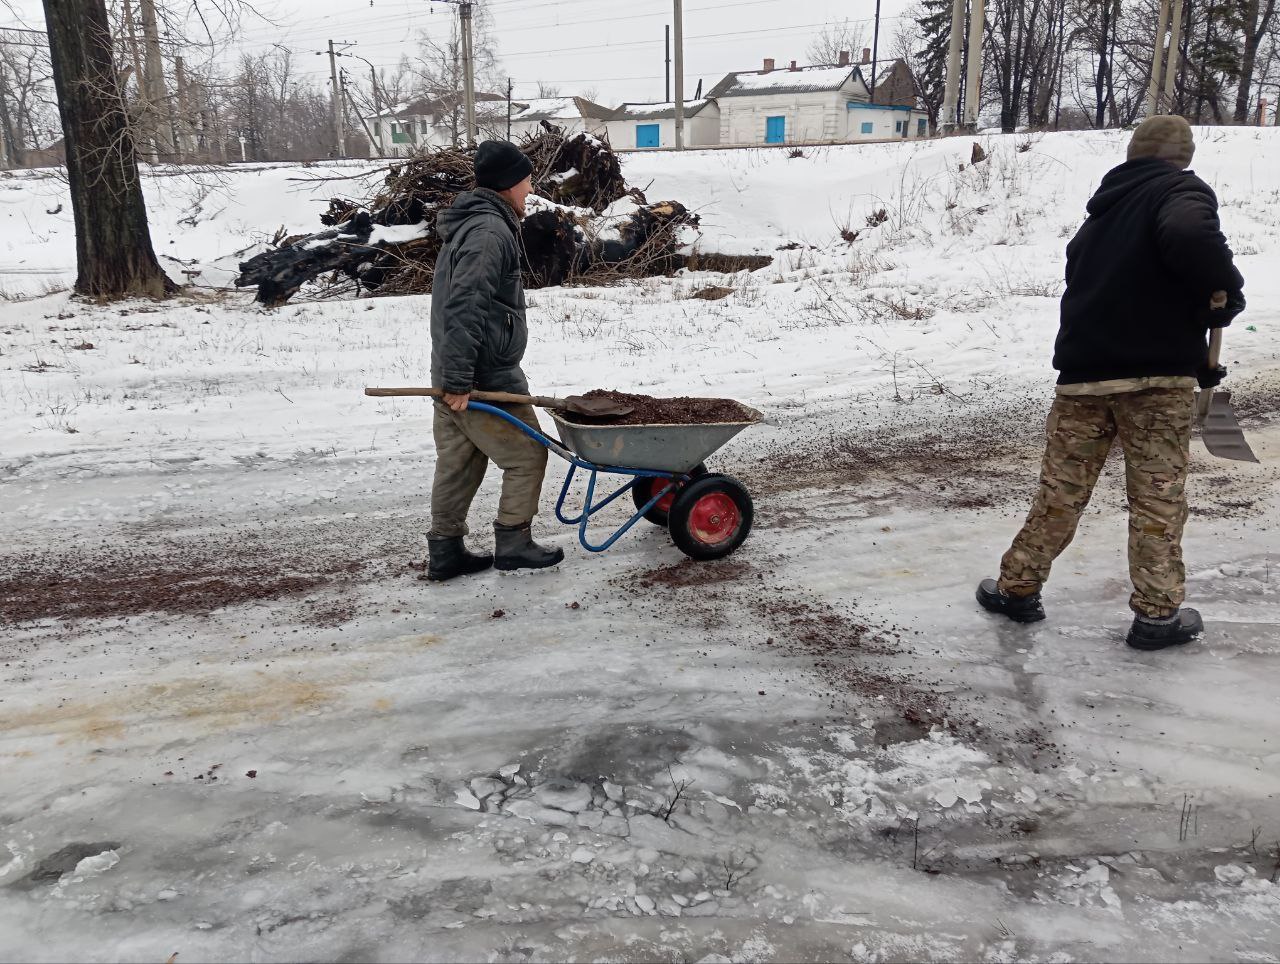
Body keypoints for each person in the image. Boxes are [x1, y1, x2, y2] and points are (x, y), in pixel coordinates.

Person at [976, 114, 1245, 651]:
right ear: (1182, 156)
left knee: (1061, 493)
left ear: (1132, 154)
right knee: (1156, 499)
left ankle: (1017, 589)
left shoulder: (1098, 218)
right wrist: (1224, 286)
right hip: (1154, 380)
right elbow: (1190, 235)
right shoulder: (1181, 190)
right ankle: (1157, 616)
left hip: (1083, 378)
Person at [426, 140, 565, 581]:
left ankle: (446, 552)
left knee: (459, 462)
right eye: (526, 180)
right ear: (508, 183)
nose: (530, 188)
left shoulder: (475, 224)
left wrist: (450, 375)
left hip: (456, 368)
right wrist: (461, 380)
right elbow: (465, 303)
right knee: (527, 456)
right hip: (484, 375)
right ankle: (514, 542)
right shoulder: (490, 232)